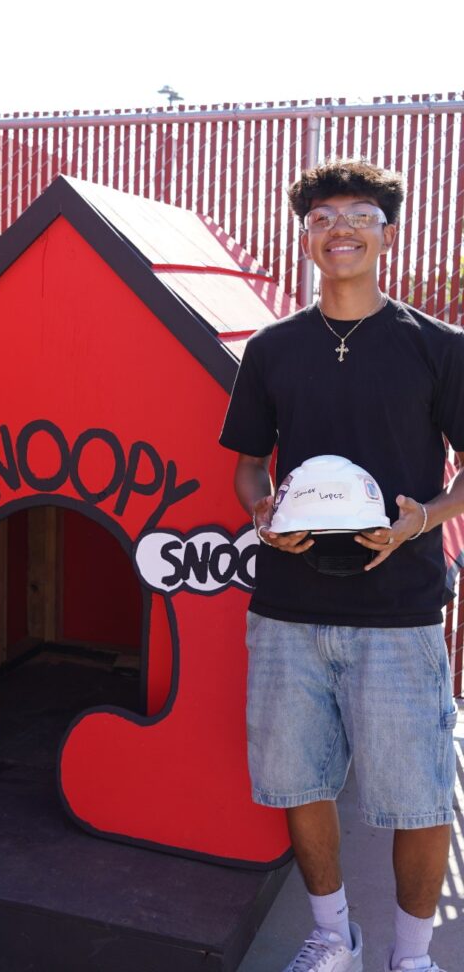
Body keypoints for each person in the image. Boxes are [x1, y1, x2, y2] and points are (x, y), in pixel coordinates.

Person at [220, 160, 463, 972]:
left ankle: (412, 958)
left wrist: (423, 520)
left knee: (417, 797)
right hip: (287, 605)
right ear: (308, 237)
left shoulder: (438, 347)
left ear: (387, 234)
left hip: (400, 608)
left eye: (360, 215)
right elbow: (249, 466)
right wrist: (261, 512)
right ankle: (333, 939)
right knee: (301, 784)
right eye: (323, 218)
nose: (342, 229)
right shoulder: (272, 348)